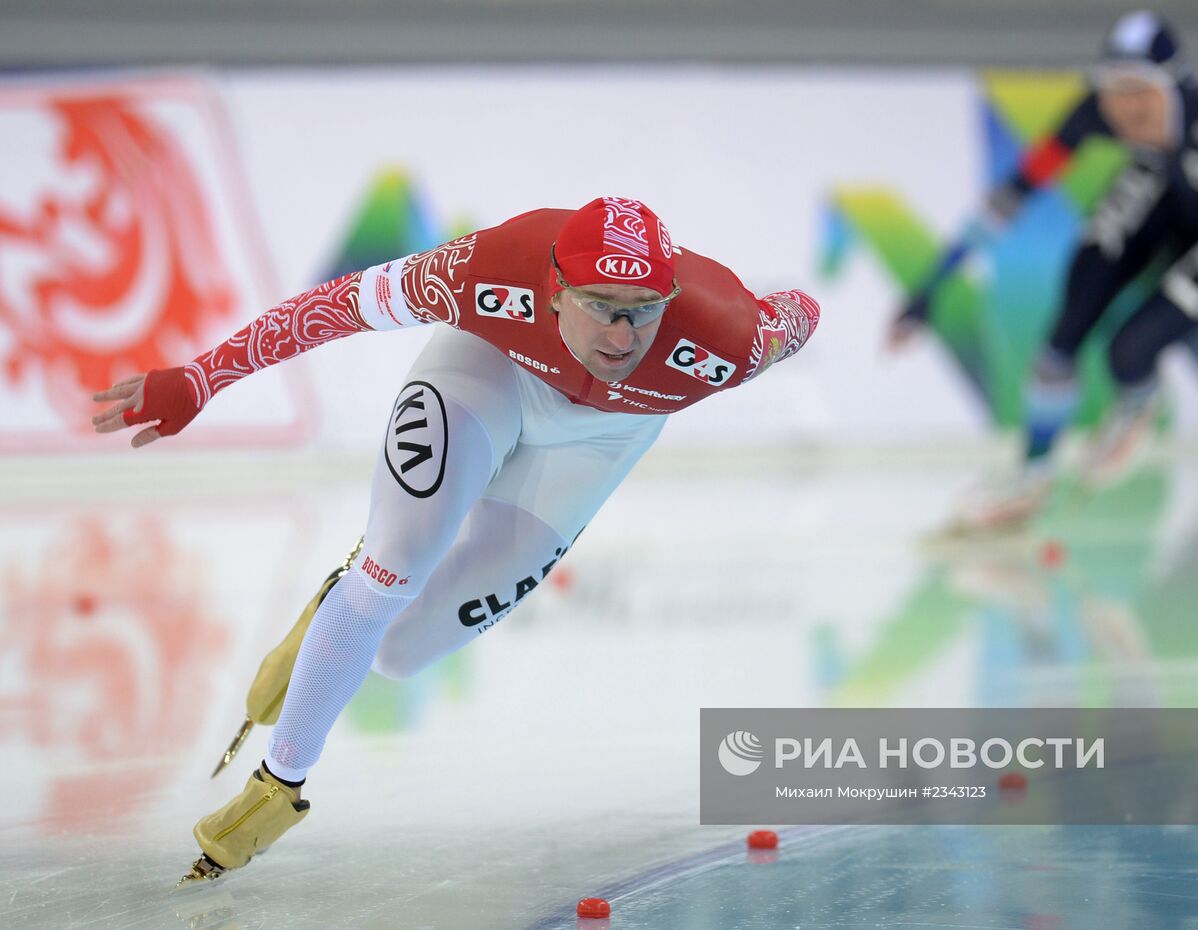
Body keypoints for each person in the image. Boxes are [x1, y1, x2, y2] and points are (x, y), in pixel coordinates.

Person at [90, 197, 821, 883]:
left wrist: (776, 307)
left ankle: (332, 612)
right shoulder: (483, 272)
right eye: (602, 309)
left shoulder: (728, 336)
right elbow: (330, 309)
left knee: (402, 653)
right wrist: (202, 377)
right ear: (556, 288)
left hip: (601, 437)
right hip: (488, 370)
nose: (622, 338)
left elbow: (802, 313)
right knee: (393, 569)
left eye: (644, 314)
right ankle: (278, 787)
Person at [891, 10, 1198, 531]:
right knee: (1068, 322)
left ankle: (1137, 399)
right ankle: (1031, 475)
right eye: (1114, 91)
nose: (1125, 110)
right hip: (1166, 186)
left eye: (1141, 93)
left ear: (1176, 89)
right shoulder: (1096, 112)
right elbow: (1013, 194)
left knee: (1129, 350)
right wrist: (929, 288)